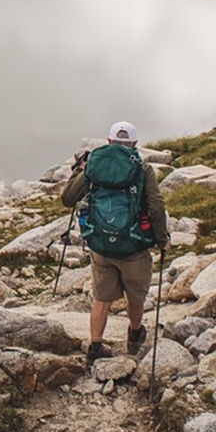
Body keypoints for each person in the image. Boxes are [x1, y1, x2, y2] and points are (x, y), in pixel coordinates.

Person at [61, 120, 168, 361]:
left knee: (101, 298)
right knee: (135, 296)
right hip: (134, 246)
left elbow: (68, 199)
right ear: (134, 144)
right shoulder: (142, 168)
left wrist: (81, 170)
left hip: (101, 245)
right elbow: (156, 206)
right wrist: (162, 240)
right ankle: (134, 335)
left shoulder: (94, 165)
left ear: (109, 141)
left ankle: (95, 347)